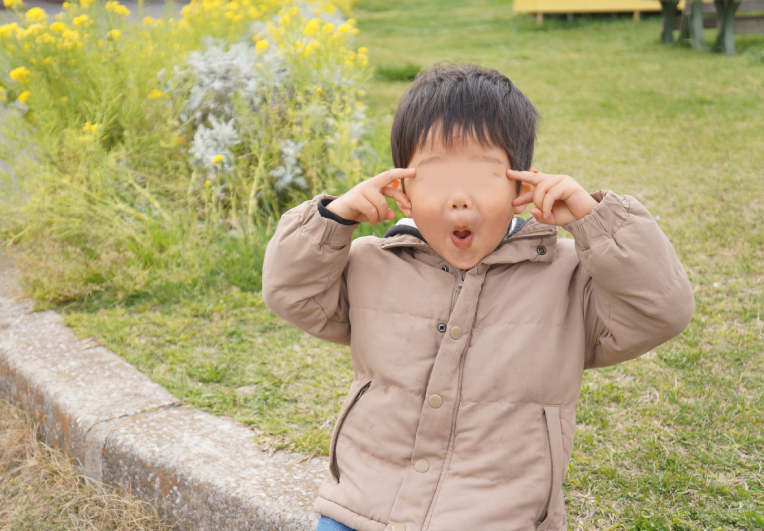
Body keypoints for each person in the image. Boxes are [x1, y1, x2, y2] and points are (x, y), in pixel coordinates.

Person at [262, 63, 694, 531]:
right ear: (401, 190)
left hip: (501, 516)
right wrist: (333, 219)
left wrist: (597, 222)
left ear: (520, 187)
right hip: (363, 509)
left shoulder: (569, 278)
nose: (459, 199)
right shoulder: (371, 264)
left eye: (484, 175)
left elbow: (662, 309)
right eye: (436, 178)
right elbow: (290, 291)